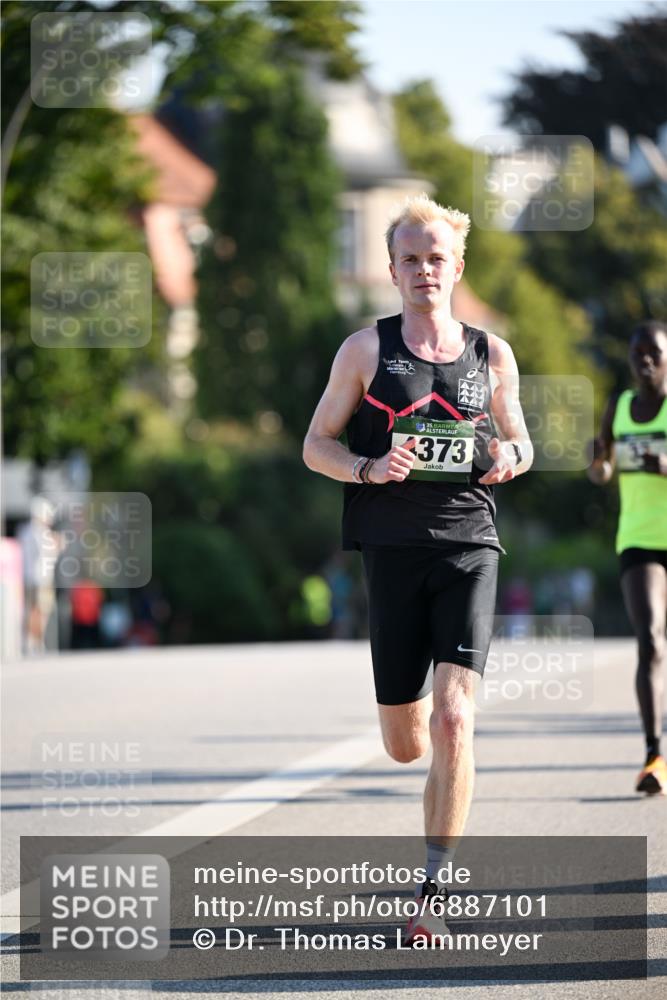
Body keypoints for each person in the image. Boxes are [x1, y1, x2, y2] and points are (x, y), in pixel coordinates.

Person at [303, 194, 533, 943]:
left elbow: (520, 442)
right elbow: (316, 445)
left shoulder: (490, 353)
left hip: (469, 544)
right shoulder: (363, 351)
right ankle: (427, 760)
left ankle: (429, 891)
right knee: (406, 741)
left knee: (454, 719)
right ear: (392, 268)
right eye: (410, 259)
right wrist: (370, 468)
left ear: (456, 266)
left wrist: (507, 456)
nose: (423, 270)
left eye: (436, 258)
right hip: (392, 552)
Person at [588, 319, 667, 795]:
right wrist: (597, 463)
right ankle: (654, 753)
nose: (644, 362)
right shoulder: (617, 406)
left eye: (654, 353)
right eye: (637, 354)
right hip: (638, 538)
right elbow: (604, 470)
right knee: (651, 641)